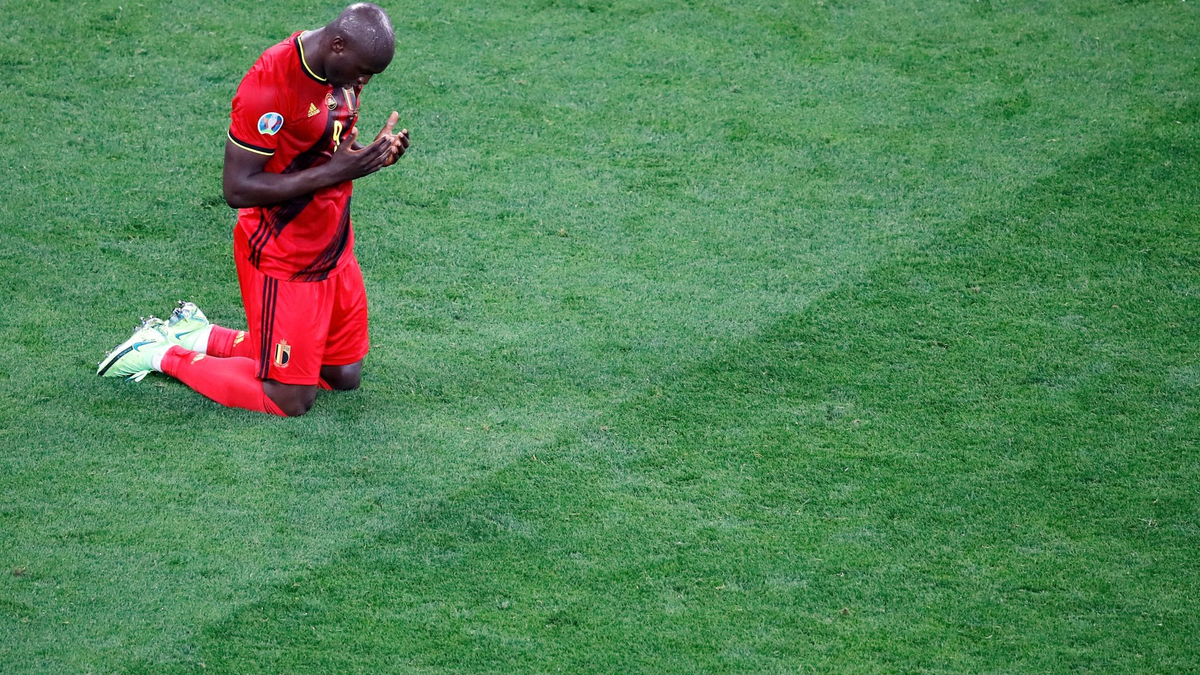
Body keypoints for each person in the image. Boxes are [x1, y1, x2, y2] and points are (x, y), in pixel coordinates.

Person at [98, 3, 409, 417]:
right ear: (337, 45)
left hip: (333, 243)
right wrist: (336, 171)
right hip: (284, 254)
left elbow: (327, 145)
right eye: (364, 71)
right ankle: (159, 352)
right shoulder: (270, 84)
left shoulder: (341, 68)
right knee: (289, 399)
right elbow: (238, 188)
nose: (364, 81)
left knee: (342, 375)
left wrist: (372, 157)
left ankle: (199, 334)